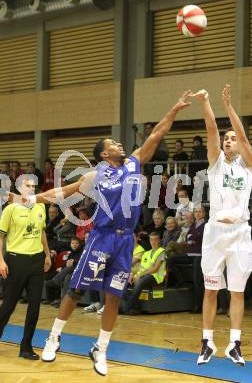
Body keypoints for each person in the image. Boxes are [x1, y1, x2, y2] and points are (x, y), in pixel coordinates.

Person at [9, 91, 192, 376]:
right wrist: (27, 199)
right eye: (113, 144)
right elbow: (61, 194)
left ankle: (101, 348)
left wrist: (175, 109)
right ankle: (54, 336)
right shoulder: (95, 175)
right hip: (102, 236)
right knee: (76, 289)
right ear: (105, 154)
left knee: (113, 296)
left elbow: (156, 134)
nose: (120, 144)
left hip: (125, 239)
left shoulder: (134, 162)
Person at [193, 85, 252, 366]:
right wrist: (207, 102)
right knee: (211, 290)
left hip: (240, 233)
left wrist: (229, 107)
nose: (229, 141)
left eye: (232, 139)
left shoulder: (248, 166)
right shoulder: (216, 163)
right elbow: (211, 130)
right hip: (216, 233)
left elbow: (241, 134)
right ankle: (207, 343)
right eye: (226, 139)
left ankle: (234, 344)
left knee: (238, 292)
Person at [0, 178, 51, 359]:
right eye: (27, 186)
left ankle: (26, 347)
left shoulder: (40, 207)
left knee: (35, 307)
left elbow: (42, 232)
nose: (31, 188)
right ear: (20, 188)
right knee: (8, 306)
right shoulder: (10, 209)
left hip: (36, 262)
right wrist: (1, 261)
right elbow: (0, 237)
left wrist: (47, 254)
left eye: (33, 186)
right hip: (15, 261)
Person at [122, 232, 166, 314]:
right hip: (144, 275)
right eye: (151, 239)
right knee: (121, 283)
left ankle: (126, 307)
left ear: (159, 240)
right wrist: (134, 275)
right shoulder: (146, 253)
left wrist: (140, 275)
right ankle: (134, 307)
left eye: (156, 239)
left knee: (141, 282)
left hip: (156, 276)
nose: (153, 242)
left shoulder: (161, 251)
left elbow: (155, 269)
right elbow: (141, 268)